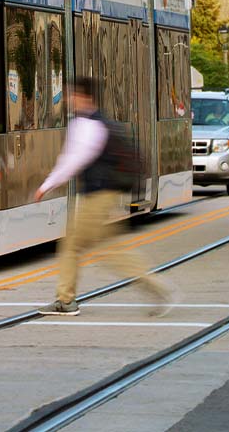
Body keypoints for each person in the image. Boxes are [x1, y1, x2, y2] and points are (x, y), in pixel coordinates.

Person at [34, 76, 175, 317]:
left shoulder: (89, 124)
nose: (68, 99)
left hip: (97, 195)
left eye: (72, 94)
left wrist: (48, 184)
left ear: (85, 96)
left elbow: (75, 159)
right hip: (101, 193)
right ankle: (156, 287)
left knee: (71, 246)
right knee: (110, 250)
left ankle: (65, 300)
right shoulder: (91, 122)